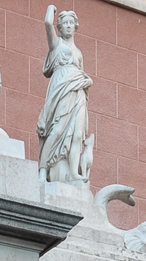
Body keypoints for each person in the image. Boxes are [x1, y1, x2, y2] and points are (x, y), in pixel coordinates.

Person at [37, 6, 93, 183]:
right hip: (61, 89)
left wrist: (87, 81)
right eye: (64, 23)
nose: (68, 26)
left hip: (78, 94)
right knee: (57, 129)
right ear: (59, 27)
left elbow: (81, 74)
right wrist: (50, 11)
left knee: (77, 134)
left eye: (71, 23)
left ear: (75, 26)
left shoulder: (79, 54)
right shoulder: (56, 45)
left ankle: (75, 172)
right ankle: (43, 170)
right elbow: (47, 24)